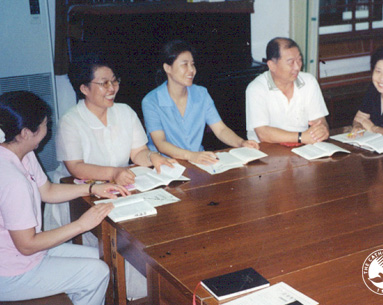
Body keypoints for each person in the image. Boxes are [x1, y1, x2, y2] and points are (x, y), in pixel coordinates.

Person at [45, 56, 175, 300]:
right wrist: (113, 173)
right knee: (112, 249)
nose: (112, 88)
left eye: (114, 81)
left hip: (120, 187)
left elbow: (137, 152)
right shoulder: (71, 121)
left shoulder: (125, 112)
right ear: (84, 88)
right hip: (81, 193)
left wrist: (153, 157)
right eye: (103, 83)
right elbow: (75, 168)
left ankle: (141, 294)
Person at [0, 91, 125, 304]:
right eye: (44, 124)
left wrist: (93, 188)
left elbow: (47, 190)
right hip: (12, 272)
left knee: (102, 256)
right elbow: (27, 245)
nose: (47, 129)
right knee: (97, 271)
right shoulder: (11, 179)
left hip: (22, 255)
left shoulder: (21, 153)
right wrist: (81, 225)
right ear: (25, 133)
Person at [142, 39, 259, 165]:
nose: (191, 70)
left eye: (192, 64)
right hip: (167, 164)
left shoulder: (201, 94)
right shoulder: (151, 101)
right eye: (184, 64)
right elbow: (161, 143)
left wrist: (241, 143)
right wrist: (191, 156)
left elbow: (220, 130)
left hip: (198, 161)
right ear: (167, 68)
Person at [246, 37, 330, 144]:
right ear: (272, 65)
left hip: (302, 148)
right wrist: (300, 137)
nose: (297, 67)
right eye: (290, 62)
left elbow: (320, 121)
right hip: (267, 150)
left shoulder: (309, 81)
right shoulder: (256, 89)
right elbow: (263, 134)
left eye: (299, 60)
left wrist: (322, 129)